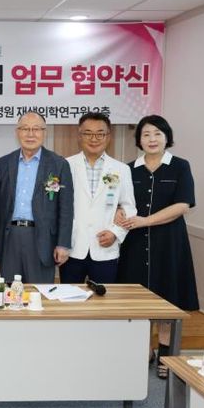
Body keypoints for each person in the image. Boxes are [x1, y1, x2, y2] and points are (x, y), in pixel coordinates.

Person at [117, 115, 198, 379]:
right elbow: (119, 201)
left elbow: (183, 205)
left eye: (157, 134)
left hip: (169, 242)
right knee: (137, 300)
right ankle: (144, 350)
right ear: (139, 140)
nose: (152, 139)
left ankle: (165, 353)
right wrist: (118, 212)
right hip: (134, 243)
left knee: (168, 297)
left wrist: (145, 221)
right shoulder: (128, 169)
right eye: (146, 134)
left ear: (166, 137)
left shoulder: (180, 167)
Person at [0, 111, 74, 284]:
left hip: (42, 239)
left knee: (39, 292)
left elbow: (66, 208)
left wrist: (63, 244)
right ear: (17, 132)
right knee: (10, 292)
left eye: (36, 129)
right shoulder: (3, 163)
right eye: (25, 129)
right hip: (9, 237)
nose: (30, 134)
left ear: (44, 132)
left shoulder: (59, 164)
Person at [60, 112, 136, 284]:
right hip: (72, 248)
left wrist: (115, 233)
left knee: (104, 297)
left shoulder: (121, 169)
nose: (94, 139)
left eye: (100, 133)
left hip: (105, 248)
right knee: (69, 296)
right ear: (79, 136)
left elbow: (129, 208)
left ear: (108, 137)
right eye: (88, 133)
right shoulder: (65, 165)